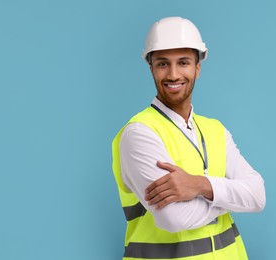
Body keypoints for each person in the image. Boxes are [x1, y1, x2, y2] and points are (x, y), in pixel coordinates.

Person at [112, 16, 266, 260]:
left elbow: (258, 195)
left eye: (183, 62)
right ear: (151, 67)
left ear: (197, 68)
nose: (173, 75)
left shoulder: (215, 130)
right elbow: (174, 218)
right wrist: (234, 196)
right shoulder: (140, 133)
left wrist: (201, 185)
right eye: (163, 64)